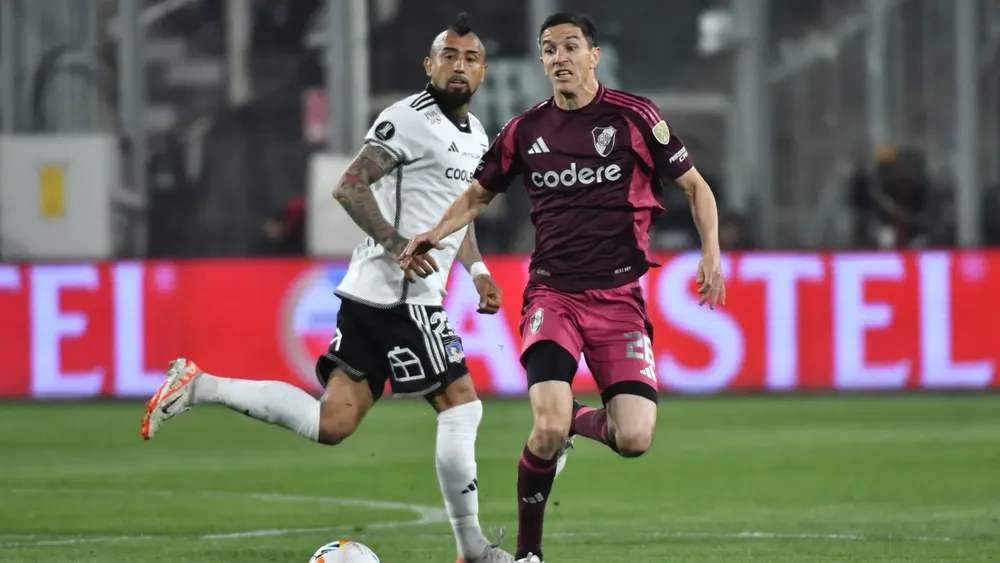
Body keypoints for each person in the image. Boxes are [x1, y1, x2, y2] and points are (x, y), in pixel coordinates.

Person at [140, 14, 516, 563]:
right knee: (462, 408)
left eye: (470, 58)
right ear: (429, 65)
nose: (460, 66)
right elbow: (350, 185)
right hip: (398, 295)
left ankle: (199, 386)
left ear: (483, 70)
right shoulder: (407, 119)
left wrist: (478, 272)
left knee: (332, 421)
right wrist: (395, 245)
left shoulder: (476, 133)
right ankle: (475, 552)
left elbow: (456, 213)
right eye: (449, 56)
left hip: (382, 294)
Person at [400, 13, 726, 563]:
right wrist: (434, 234)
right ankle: (530, 553)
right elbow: (478, 196)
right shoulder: (525, 131)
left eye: (570, 46)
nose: (559, 58)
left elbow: (695, 186)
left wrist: (712, 253)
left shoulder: (635, 117)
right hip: (554, 297)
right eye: (548, 49)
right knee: (544, 428)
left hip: (620, 302)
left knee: (634, 439)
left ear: (593, 56)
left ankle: (574, 417)